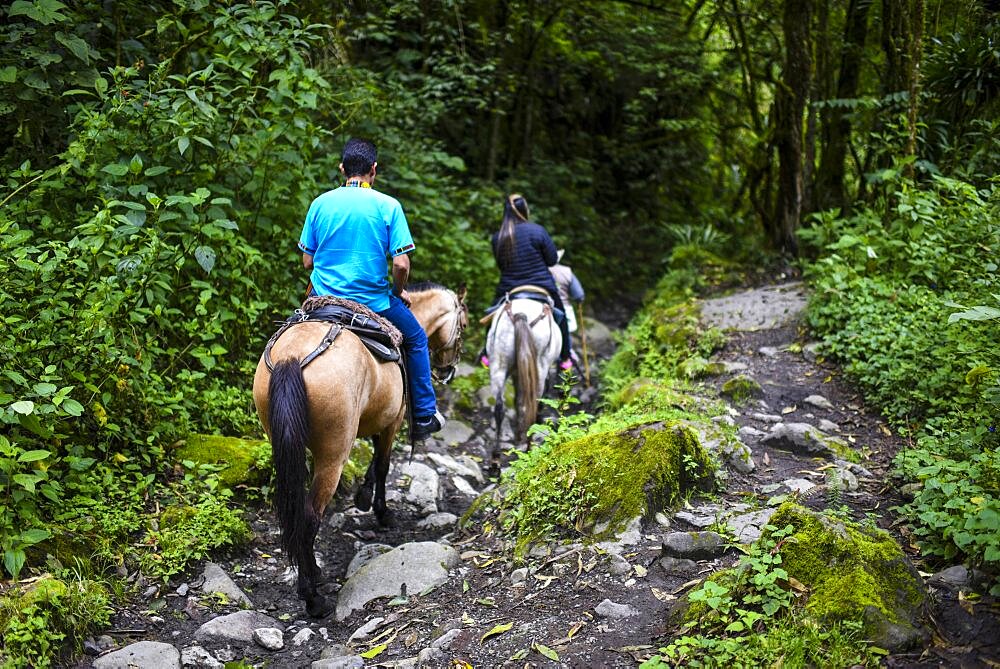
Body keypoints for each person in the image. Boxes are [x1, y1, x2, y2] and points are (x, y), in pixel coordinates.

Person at [297, 138, 445, 440]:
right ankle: (425, 415)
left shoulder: (320, 203)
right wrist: (399, 290)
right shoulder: (388, 206)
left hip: (322, 299)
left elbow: (306, 261)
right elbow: (401, 265)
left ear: (342, 169)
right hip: (372, 302)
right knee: (416, 339)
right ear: (373, 170)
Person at [481, 193, 573, 371]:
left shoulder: (498, 237)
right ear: (525, 210)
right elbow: (552, 260)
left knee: (493, 315)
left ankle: (486, 353)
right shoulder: (537, 230)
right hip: (541, 284)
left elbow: (502, 265)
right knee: (561, 316)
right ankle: (565, 357)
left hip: (509, 287)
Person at [549, 249, 585, 365]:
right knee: (566, 334)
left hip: (545, 307)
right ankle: (567, 356)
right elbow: (579, 295)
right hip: (564, 308)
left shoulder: (541, 271)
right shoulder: (566, 271)